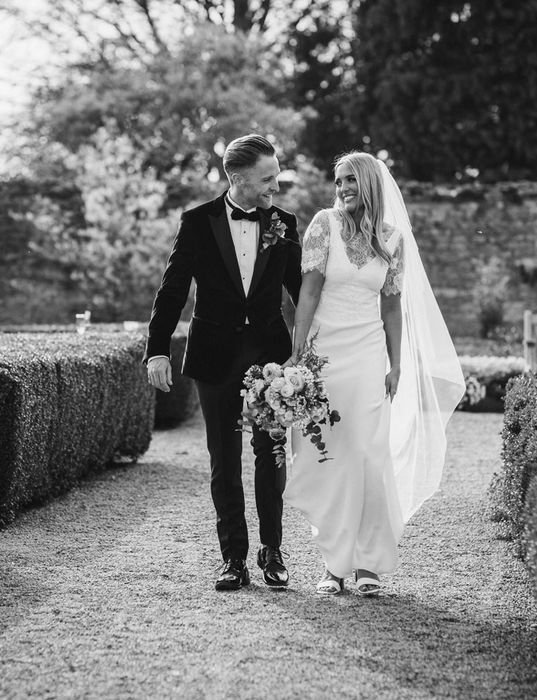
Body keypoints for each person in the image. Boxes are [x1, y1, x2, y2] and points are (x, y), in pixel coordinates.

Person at [284, 151, 465, 596]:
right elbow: (307, 293)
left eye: (350, 180)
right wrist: (297, 353)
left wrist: (396, 362)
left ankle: (367, 564)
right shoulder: (323, 224)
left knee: (367, 455)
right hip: (325, 355)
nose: (342, 188)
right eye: (338, 180)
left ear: (368, 184)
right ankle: (333, 563)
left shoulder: (392, 237)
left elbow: (391, 305)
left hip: (368, 358)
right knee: (332, 455)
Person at [145, 134, 302, 591]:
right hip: (214, 356)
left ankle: (272, 551)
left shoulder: (284, 223)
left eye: (277, 177)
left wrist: (311, 350)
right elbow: (172, 290)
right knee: (223, 459)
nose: (275, 186)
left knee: (271, 456)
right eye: (267, 178)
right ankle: (233, 557)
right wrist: (157, 349)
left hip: (270, 360)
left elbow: (300, 292)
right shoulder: (198, 222)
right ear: (237, 178)